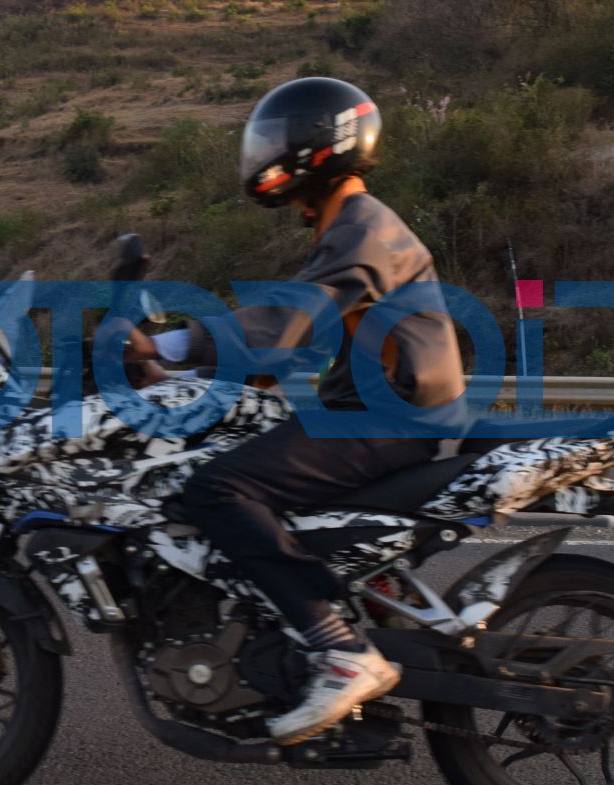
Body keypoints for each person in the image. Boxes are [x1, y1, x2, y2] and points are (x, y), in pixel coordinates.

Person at [122, 77, 465, 745]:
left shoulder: (364, 229)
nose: (266, 154)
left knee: (218, 488)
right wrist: (176, 375)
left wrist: (164, 343)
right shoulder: (349, 229)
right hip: (375, 411)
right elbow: (287, 348)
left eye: (277, 140)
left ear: (319, 146)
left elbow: (284, 322)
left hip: (389, 419)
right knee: (234, 455)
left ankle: (338, 648)